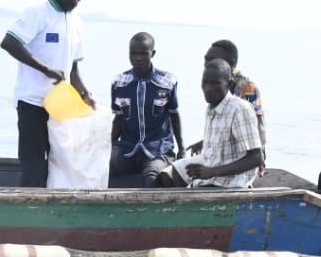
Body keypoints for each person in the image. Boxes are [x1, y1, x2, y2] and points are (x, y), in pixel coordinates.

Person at [0, 0, 95, 188]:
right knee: (34, 165)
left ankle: (52, 206)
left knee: (62, 165)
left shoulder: (77, 23)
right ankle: (28, 207)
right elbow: (9, 43)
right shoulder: (37, 13)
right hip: (32, 102)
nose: (74, 0)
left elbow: (73, 68)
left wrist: (84, 92)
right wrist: (45, 69)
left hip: (61, 106)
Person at [163, 60, 263, 189]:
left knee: (193, 191)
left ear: (229, 84)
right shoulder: (211, 108)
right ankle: (181, 199)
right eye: (205, 83)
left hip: (231, 180)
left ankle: (191, 197)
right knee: (167, 176)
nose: (208, 89)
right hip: (213, 165)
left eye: (215, 83)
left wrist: (212, 172)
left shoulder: (239, 109)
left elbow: (256, 158)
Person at [108, 32, 183, 187]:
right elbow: (118, 120)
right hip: (127, 148)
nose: (138, 58)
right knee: (102, 166)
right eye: (133, 53)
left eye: (143, 54)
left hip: (158, 149)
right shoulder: (119, 83)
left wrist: (181, 149)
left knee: (151, 176)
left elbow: (174, 116)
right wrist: (106, 146)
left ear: (152, 54)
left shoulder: (167, 82)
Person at [201, 39, 265, 149]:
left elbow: (255, 129)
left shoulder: (246, 87)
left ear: (231, 63)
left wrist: (257, 153)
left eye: (213, 59)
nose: (207, 64)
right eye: (206, 59)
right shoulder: (214, 82)